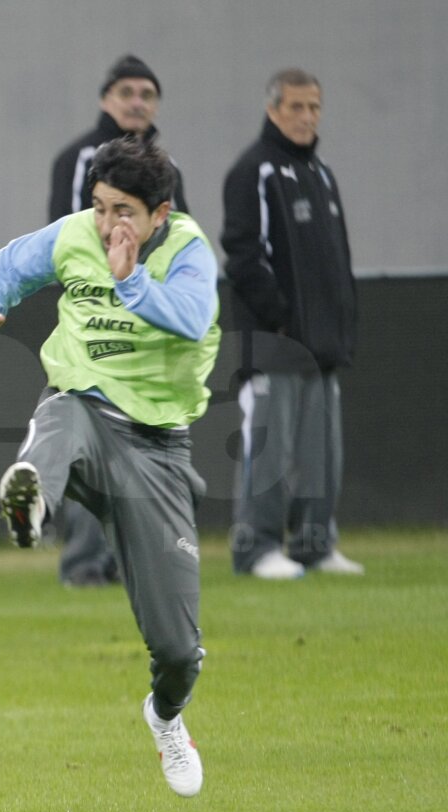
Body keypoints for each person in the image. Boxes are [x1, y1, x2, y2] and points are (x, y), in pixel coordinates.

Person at [0, 137, 220, 798]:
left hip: (157, 450)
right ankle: (33, 505)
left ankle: (165, 716)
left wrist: (130, 278)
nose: (108, 226)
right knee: (60, 415)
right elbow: (11, 264)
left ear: (160, 213)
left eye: (124, 211)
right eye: (101, 208)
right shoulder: (77, 234)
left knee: (179, 651)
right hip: (84, 412)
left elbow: (192, 321)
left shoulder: (189, 251)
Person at [46, 53, 189, 588]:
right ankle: (84, 564)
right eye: (127, 92)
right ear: (106, 99)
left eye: (147, 94)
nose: (137, 102)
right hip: (98, 328)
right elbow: (65, 240)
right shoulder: (80, 158)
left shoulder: (165, 167)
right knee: (90, 445)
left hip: (150, 328)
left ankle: (136, 562)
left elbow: (180, 241)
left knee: (146, 446)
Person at [221, 68, 362, 580]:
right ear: (273, 109)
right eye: (296, 107)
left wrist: (340, 321)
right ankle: (255, 549)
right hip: (275, 344)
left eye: (314, 107)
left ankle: (314, 546)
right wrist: (281, 319)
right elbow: (241, 256)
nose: (307, 117)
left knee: (322, 454)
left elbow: (337, 258)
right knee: (271, 450)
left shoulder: (321, 174)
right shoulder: (253, 171)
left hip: (323, 344)